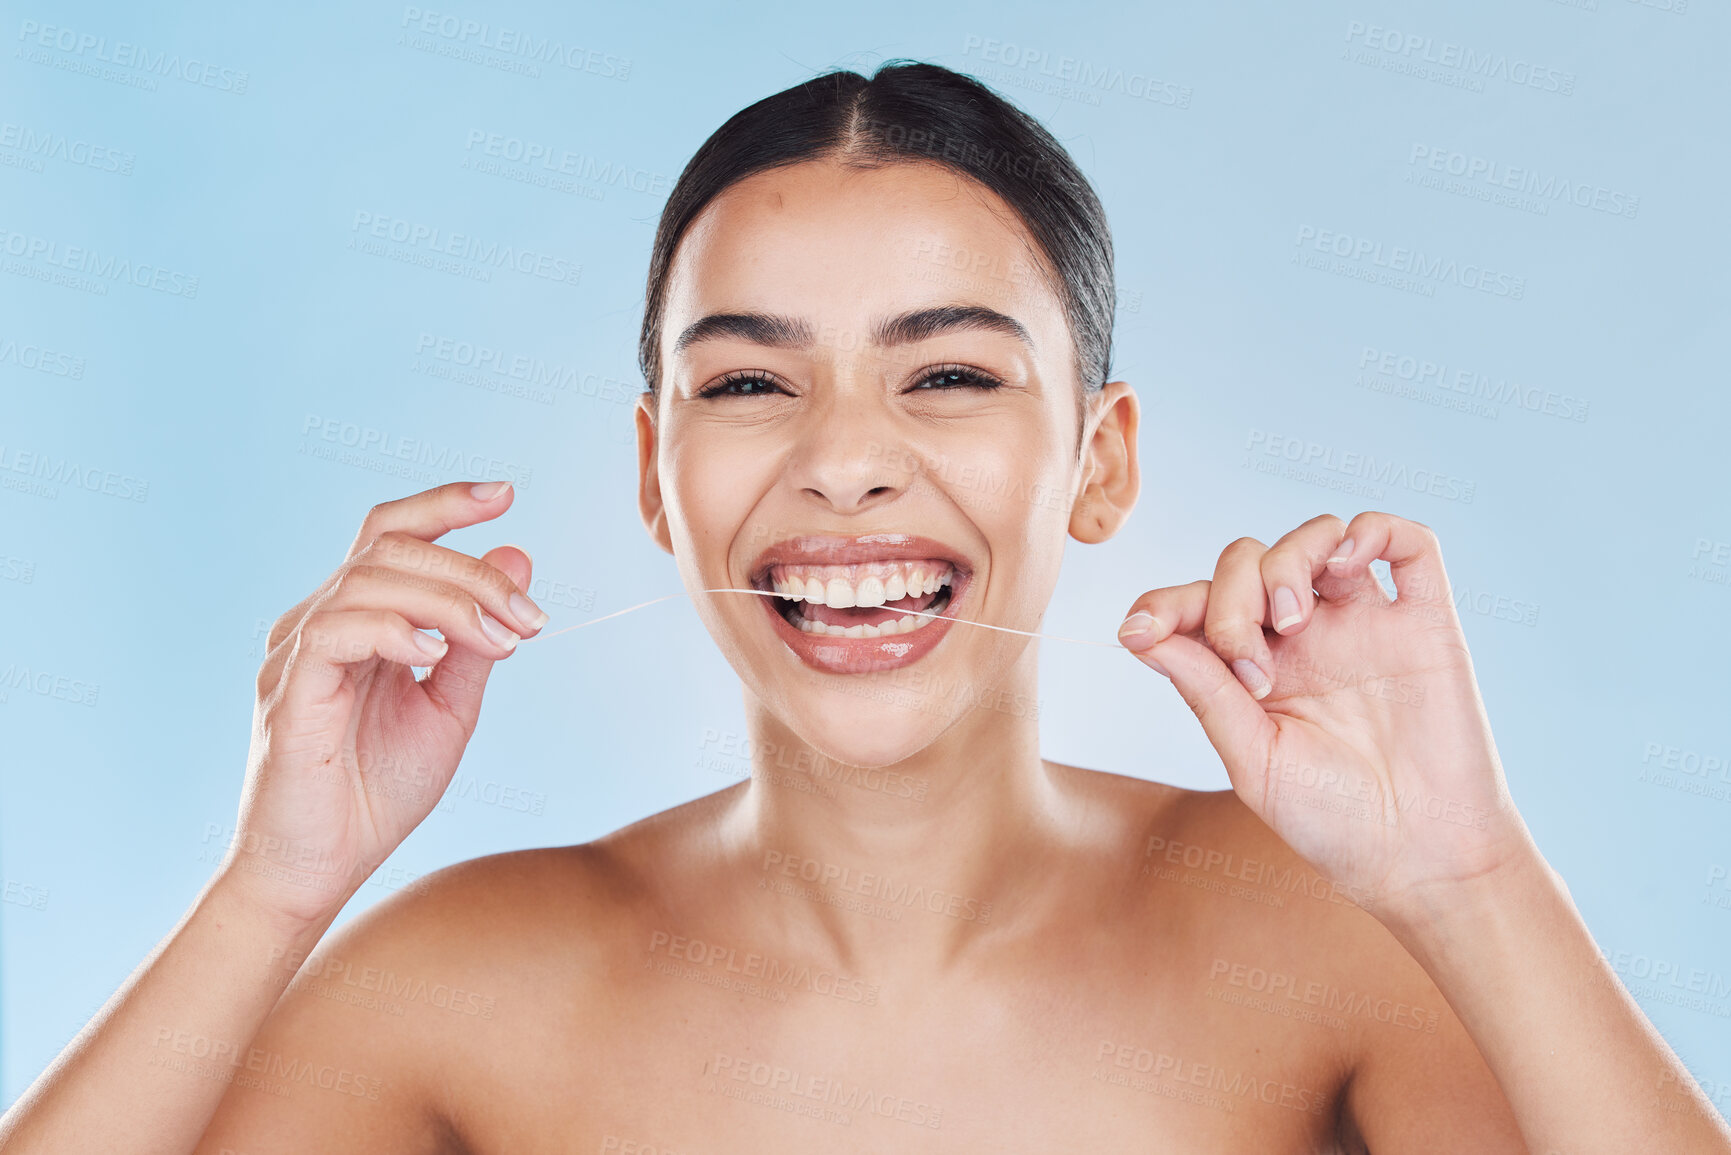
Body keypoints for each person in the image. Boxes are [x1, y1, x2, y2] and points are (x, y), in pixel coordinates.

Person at [2, 61, 1725, 1154]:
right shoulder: (460, 990)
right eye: (747, 385)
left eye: (951, 375)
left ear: (1102, 461)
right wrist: (269, 891)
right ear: (655, 475)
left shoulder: (1330, 942)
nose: (845, 468)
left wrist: (1474, 887)